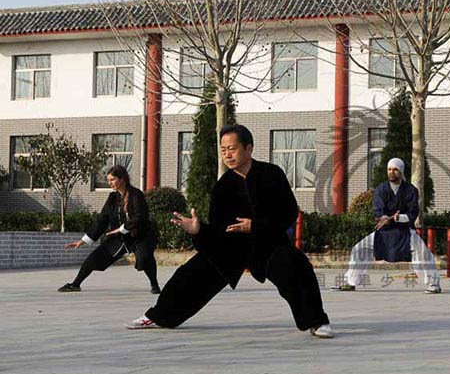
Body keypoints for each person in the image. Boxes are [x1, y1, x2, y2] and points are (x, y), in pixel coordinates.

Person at [125, 124, 334, 337]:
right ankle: (158, 316)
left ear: (248, 148)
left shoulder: (272, 174)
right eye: (223, 150)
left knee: (296, 267)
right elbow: (217, 232)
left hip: (268, 243)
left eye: (232, 149)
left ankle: (317, 322)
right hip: (231, 247)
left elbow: (288, 212)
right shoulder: (223, 186)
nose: (227, 154)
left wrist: (255, 226)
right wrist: (199, 231)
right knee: (190, 274)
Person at [341, 157, 441, 293]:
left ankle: (433, 284)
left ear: (401, 172)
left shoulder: (411, 190)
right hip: (384, 231)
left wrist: (399, 218)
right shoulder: (381, 189)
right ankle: (350, 282)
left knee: (423, 253)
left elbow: (413, 212)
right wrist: (384, 218)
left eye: (395, 170)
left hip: (404, 231)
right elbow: (378, 208)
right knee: (359, 249)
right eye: (389, 169)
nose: (391, 172)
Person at [59, 165, 160, 294]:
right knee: (94, 258)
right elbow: (102, 220)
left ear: (122, 179)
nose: (109, 183)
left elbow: (140, 217)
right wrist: (84, 240)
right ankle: (75, 284)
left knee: (145, 257)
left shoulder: (136, 195)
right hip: (120, 237)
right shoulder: (113, 198)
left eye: (112, 180)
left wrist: (122, 228)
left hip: (140, 235)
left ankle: (155, 285)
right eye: (108, 180)